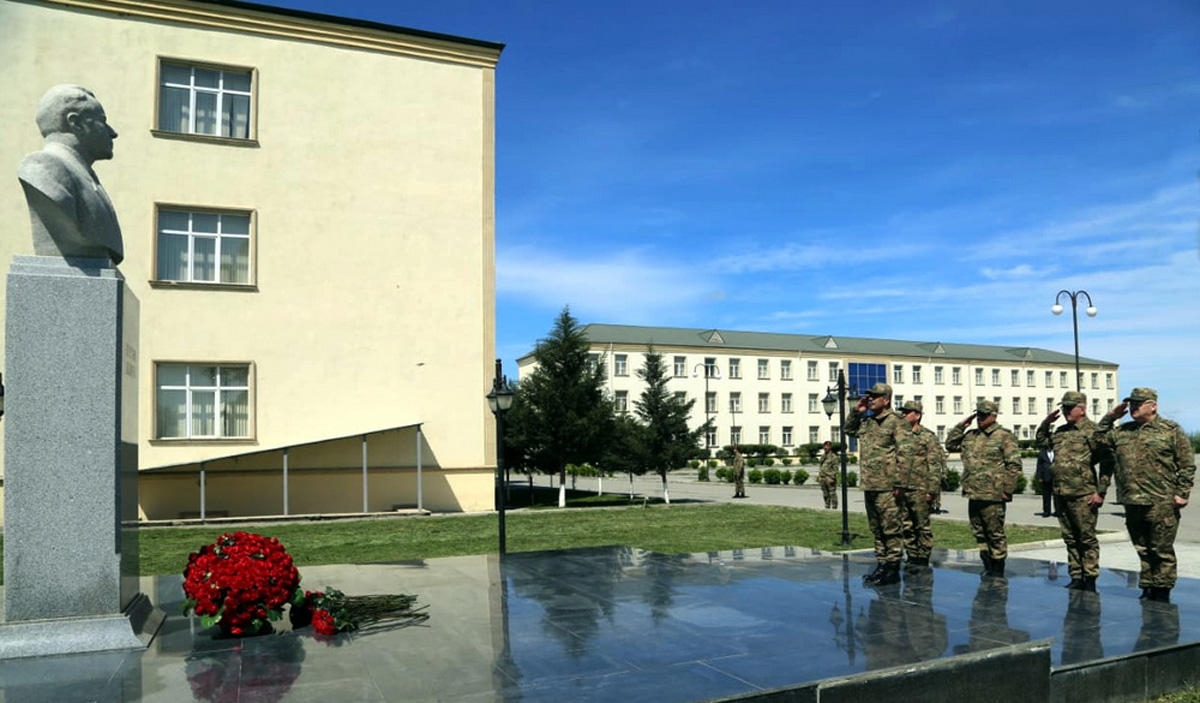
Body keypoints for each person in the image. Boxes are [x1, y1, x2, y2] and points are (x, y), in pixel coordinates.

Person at [1094, 388, 1195, 603]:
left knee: (1161, 549)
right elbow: (1096, 438)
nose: (1133, 408)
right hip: (1132, 500)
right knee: (1142, 547)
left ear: (1153, 406)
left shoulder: (1171, 430)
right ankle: (1148, 586)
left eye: (1138, 404)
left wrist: (1182, 492)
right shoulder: (1123, 432)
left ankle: (1163, 591)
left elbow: (1186, 464)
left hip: (1161, 500)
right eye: (1131, 404)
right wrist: (1112, 416)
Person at [17, 84, 124, 264]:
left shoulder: (87, 177)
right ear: (75, 123)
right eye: (102, 121)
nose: (113, 133)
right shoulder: (43, 167)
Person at [1036, 390, 1111, 591]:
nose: (1067, 411)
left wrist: (1101, 491)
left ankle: (1090, 577)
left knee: (1086, 538)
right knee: (1069, 538)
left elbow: (1107, 461)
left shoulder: (1093, 432)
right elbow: (1041, 441)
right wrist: (1046, 422)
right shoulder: (1060, 432)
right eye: (1064, 407)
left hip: (1083, 494)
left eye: (1070, 407)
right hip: (1061, 493)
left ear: (1082, 408)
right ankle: (1076, 575)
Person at [945, 399, 1021, 577]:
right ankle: (987, 565)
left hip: (993, 495)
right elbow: (950, 444)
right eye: (978, 414)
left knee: (995, 533)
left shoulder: (1004, 436)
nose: (980, 418)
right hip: (974, 493)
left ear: (993, 416)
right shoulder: (971, 435)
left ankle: (998, 568)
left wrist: (1008, 490)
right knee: (979, 532)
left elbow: (1014, 465)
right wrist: (961, 426)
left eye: (984, 415)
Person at [844, 382, 907, 586]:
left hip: (888, 486)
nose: (870, 399)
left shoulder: (896, 422)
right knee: (876, 528)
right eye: (869, 396)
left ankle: (893, 568)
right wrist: (856, 411)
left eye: (875, 396)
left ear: (886, 400)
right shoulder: (868, 421)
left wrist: (900, 482)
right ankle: (881, 565)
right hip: (870, 484)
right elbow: (849, 429)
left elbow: (905, 454)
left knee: (891, 529)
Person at [896, 400, 946, 571]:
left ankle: (923, 558)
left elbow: (934, 465)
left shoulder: (927, 436)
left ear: (917, 415)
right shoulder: (899, 435)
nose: (903, 415)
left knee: (921, 525)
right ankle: (912, 556)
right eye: (902, 412)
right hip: (902, 488)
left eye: (906, 412)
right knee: (906, 524)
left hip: (920, 488)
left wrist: (932, 490)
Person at [818, 440, 839, 509]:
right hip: (823, 477)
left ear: (830, 447)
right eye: (825, 446)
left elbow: (836, 469)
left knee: (832, 493)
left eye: (827, 446)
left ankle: (834, 506)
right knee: (825, 493)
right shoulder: (823, 456)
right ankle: (827, 505)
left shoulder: (833, 457)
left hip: (829, 477)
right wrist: (819, 476)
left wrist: (832, 477)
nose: (825, 447)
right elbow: (821, 466)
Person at [1035, 446, 1055, 517]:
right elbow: (1039, 466)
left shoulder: (1057, 451)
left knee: (1057, 496)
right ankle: (1046, 512)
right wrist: (1039, 477)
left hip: (1056, 477)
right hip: (1045, 477)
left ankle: (1058, 511)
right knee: (1046, 496)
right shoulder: (1042, 453)